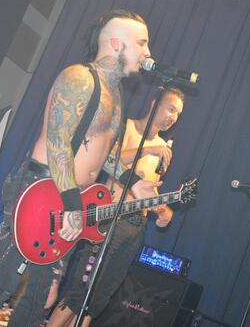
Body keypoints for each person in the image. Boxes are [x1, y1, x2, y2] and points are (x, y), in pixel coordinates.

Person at [0, 9, 159, 327]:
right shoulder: (79, 78)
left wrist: (133, 181)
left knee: (41, 298)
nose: (147, 52)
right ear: (116, 43)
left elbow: (101, 151)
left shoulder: (117, 94)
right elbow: (58, 142)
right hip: (42, 191)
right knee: (1, 284)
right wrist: (72, 206)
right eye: (142, 43)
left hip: (68, 200)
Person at [48, 86, 185, 327]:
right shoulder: (128, 128)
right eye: (171, 109)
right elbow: (109, 159)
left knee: (99, 298)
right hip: (111, 219)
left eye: (178, 114)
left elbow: (148, 188)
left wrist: (163, 209)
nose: (173, 117)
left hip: (136, 226)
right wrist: (148, 148)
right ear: (155, 103)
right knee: (81, 288)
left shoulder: (164, 147)